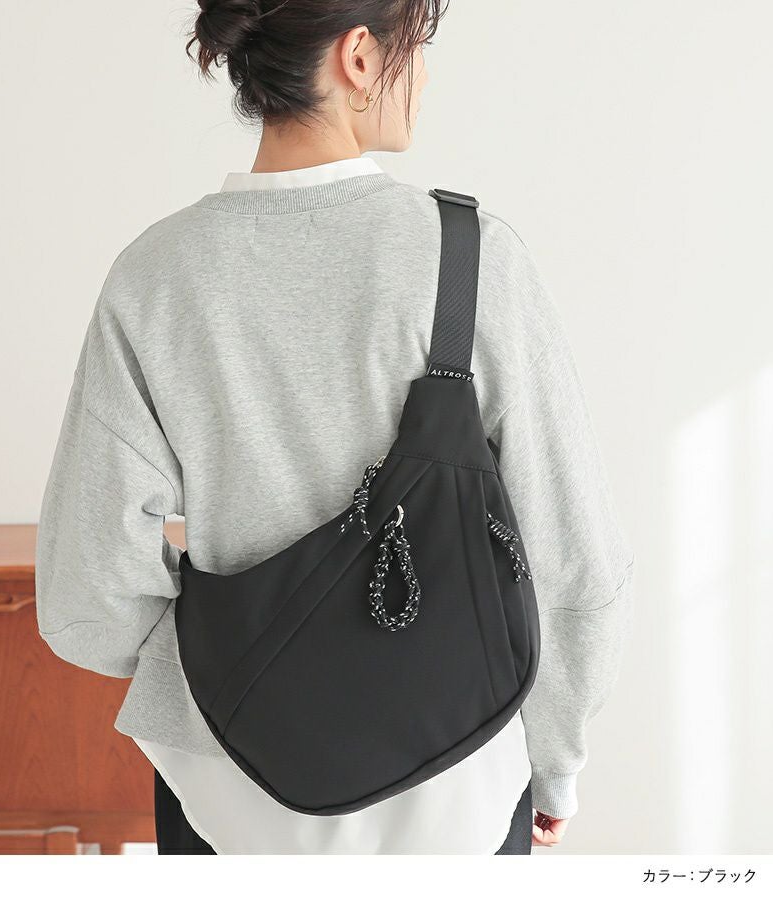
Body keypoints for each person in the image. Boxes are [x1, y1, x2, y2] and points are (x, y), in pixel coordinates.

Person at [34, 0, 635, 855]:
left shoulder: (153, 278)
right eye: (416, 46)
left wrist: (215, 673)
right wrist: (558, 761)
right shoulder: (470, 258)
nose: (422, 75)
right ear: (359, 56)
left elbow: (86, 594)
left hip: (223, 796)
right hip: (457, 786)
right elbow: (580, 563)